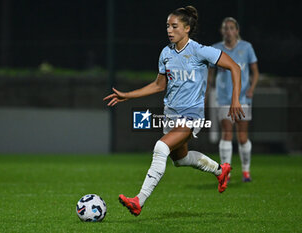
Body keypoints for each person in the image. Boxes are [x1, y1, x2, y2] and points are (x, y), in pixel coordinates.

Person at [103, 6, 244, 216]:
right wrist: (127, 95)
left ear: (186, 28)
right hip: (171, 115)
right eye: (168, 26)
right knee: (180, 159)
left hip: (192, 115)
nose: (169, 30)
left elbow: (235, 67)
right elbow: (159, 85)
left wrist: (235, 99)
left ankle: (138, 201)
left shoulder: (199, 51)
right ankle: (219, 170)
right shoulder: (166, 53)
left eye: (174, 26)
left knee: (161, 148)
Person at [207, 17, 259, 182]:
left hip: (242, 98)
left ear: (237, 31)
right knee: (226, 133)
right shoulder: (216, 49)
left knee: (242, 136)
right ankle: (225, 172)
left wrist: (251, 88)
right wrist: (207, 92)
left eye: (231, 28)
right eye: (225, 28)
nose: (228, 31)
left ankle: (246, 171)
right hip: (223, 98)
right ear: (222, 31)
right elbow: (210, 75)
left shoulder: (246, 47)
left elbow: (255, 72)